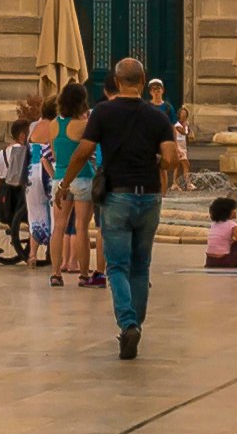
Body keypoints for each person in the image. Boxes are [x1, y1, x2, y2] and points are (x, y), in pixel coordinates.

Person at [77, 59, 184, 360]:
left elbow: (84, 151)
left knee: (118, 266)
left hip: (117, 197)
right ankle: (136, 323)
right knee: (141, 266)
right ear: (143, 80)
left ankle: (128, 323)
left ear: (116, 79)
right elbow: (172, 159)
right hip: (149, 197)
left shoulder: (103, 113)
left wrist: (64, 184)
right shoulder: (158, 116)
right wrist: (158, 163)